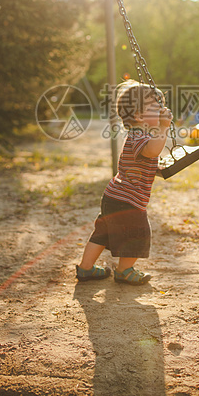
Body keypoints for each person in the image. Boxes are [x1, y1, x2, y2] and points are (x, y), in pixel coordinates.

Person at [76, 80, 173, 286]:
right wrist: (164, 127)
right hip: (128, 200)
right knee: (138, 234)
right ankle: (124, 270)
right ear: (138, 116)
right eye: (157, 107)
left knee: (102, 233)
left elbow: (141, 163)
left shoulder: (138, 135)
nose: (163, 111)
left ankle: (85, 268)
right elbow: (152, 151)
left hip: (114, 196)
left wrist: (158, 168)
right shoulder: (140, 135)